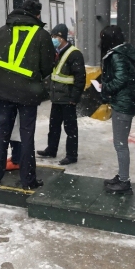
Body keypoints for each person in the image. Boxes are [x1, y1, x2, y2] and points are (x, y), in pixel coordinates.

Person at [0, 0, 56, 189]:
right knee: (27, 136)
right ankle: (28, 180)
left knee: (1, 134)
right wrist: (33, 77)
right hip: (27, 92)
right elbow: (48, 66)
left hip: (2, 90)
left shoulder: (2, 31)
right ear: (37, 15)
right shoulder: (41, 35)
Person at [99, 25, 135, 194]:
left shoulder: (117, 56)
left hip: (123, 104)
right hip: (126, 102)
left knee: (120, 144)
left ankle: (124, 181)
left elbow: (121, 79)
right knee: (120, 143)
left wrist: (104, 87)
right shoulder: (125, 52)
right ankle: (122, 176)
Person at [37, 23, 85, 165]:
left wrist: (74, 98)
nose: (53, 38)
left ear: (62, 37)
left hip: (68, 98)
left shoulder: (74, 54)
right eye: (52, 36)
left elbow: (80, 78)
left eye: (55, 36)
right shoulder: (56, 52)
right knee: (54, 125)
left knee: (70, 128)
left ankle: (71, 155)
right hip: (57, 97)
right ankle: (51, 150)